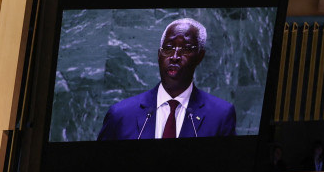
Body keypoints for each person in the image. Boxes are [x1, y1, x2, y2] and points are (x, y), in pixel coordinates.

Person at [96, 18, 237, 141]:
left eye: (186, 49)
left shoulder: (220, 115)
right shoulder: (121, 115)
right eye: (168, 48)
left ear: (200, 56)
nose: (175, 56)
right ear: (159, 54)